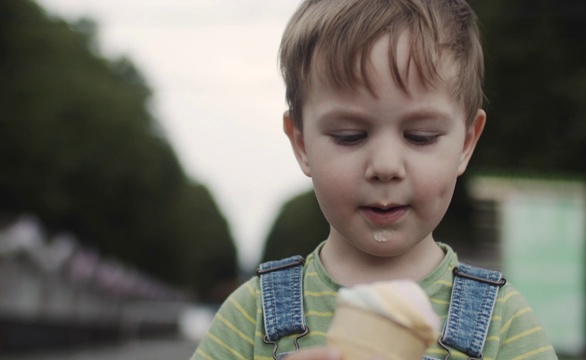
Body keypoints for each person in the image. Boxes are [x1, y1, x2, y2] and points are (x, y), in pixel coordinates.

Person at [191, 0, 557, 359]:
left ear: (465, 142)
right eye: (350, 135)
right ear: (302, 143)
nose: (385, 166)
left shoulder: (501, 323)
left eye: (420, 136)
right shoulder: (251, 316)